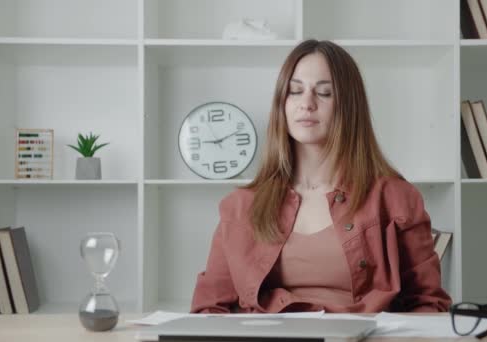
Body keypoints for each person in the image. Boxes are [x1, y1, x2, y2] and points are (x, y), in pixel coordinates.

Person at [190, 39, 452, 313]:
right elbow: (208, 309)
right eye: (294, 91)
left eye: (324, 93)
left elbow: (428, 305)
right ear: (282, 103)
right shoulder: (240, 207)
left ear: (349, 105)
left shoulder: (396, 198)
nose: (307, 103)